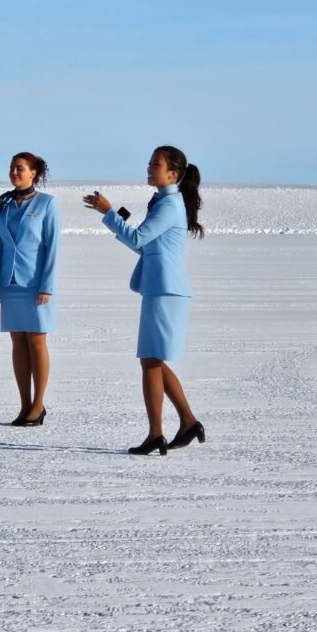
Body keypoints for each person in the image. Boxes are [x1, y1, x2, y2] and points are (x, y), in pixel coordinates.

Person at [83, 145, 205, 455]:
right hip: (159, 288)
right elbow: (144, 247)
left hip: (166, 289)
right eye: (150, 162)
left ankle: (156, 433)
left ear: (172, 173)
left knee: (150, 361)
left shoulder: (169, 204)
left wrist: (109, 214)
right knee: (153, 360)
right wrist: (114, 219)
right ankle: (188, 421)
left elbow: (137, 239)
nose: (149, 167)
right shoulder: (163, 202)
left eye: (156, 164)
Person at [0, 152, 60, 427]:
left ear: (33, 173)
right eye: (11, 168)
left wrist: (47, 285)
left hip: (36, 284)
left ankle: (38, 404)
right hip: (10, 284)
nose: (14, 173)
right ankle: (25, 403)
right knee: (18, 343)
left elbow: (52, 248)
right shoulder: (3, 205)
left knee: (37, 342)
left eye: (20, 168)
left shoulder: (46, 204)